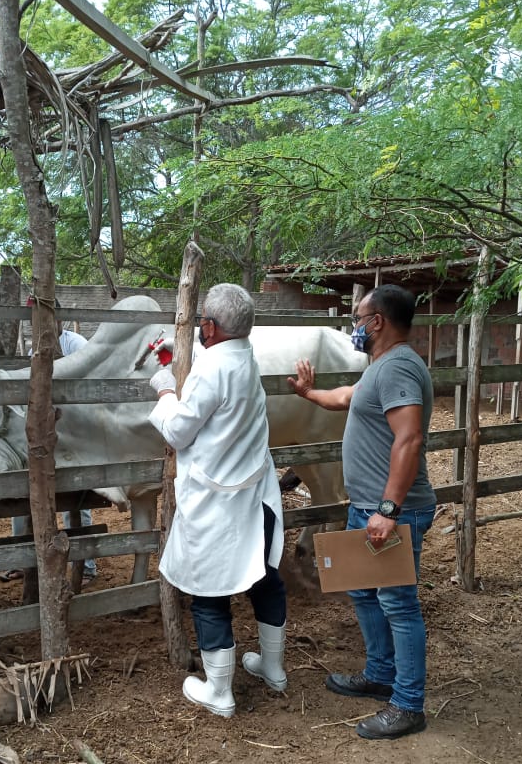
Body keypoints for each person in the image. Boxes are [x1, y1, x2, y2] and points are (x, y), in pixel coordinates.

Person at [288, 284, 436, 740]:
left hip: (392, 511)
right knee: (364, 593)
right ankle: (380, 675)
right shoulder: (380, 368)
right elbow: (348, 398)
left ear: (377, 322)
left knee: (397, 603)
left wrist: (389, 510)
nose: (353, 325)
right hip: (368, 507)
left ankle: (408, 705)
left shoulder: (399, 369)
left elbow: (409, 439)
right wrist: (309, 394)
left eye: (357, 317)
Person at [148, 283, 287, 718]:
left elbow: (178, 431)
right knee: (265, 577)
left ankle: (219, 691)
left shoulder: (212, 369)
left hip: (218, 501)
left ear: (211, 325)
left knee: (208, 590)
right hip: (256, 492)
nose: (200, 328)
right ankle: (274, 668)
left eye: (202, 322)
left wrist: (165, 390)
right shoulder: (245, 356)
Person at [4, 309, 96, 581]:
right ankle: (22, 562)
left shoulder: (76, 345)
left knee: (75, 502)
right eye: (38, 319)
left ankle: (87, 566)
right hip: (42, 434)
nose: (44, 324)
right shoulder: (35, 350)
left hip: (73, 433)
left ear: (59, 320)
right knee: (24, 497)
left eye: (49, 318)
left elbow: (90, 384)